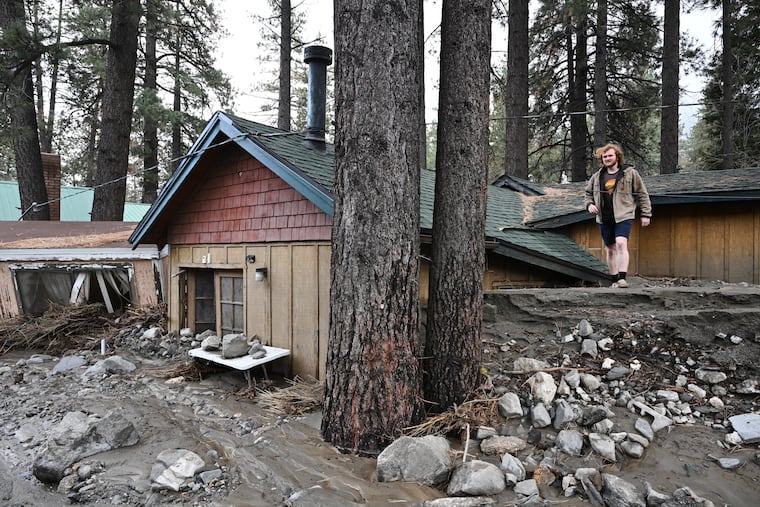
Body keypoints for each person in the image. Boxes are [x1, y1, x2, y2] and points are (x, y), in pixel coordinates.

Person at [584, 143, 652, 288]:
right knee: (610, 248)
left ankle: (622, 278)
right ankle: (614, 279)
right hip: (604, 217)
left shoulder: (630, 173)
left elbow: (642, 194)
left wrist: (646, 214)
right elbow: (587, 193)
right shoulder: (597, 176)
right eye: (605, 156)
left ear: (617, 157)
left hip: (624, 215)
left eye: (610, 155)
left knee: (621, 243)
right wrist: (589, 205)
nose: (607, 158)